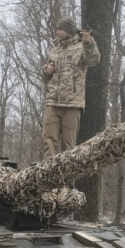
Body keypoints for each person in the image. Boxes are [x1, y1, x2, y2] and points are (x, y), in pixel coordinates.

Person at [41, 15, 100, 158]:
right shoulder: (54, 51)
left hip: (72, 104)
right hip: (52, 103)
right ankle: (48, 175)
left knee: (69, 146)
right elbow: (45, 76)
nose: (57, 32)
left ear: (68, 30)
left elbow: (94, 60)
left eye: (60, 29)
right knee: (48, 140)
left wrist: (89, 43)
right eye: (56, 28)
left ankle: (66, 178)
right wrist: (46, 71)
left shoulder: (81, 48)